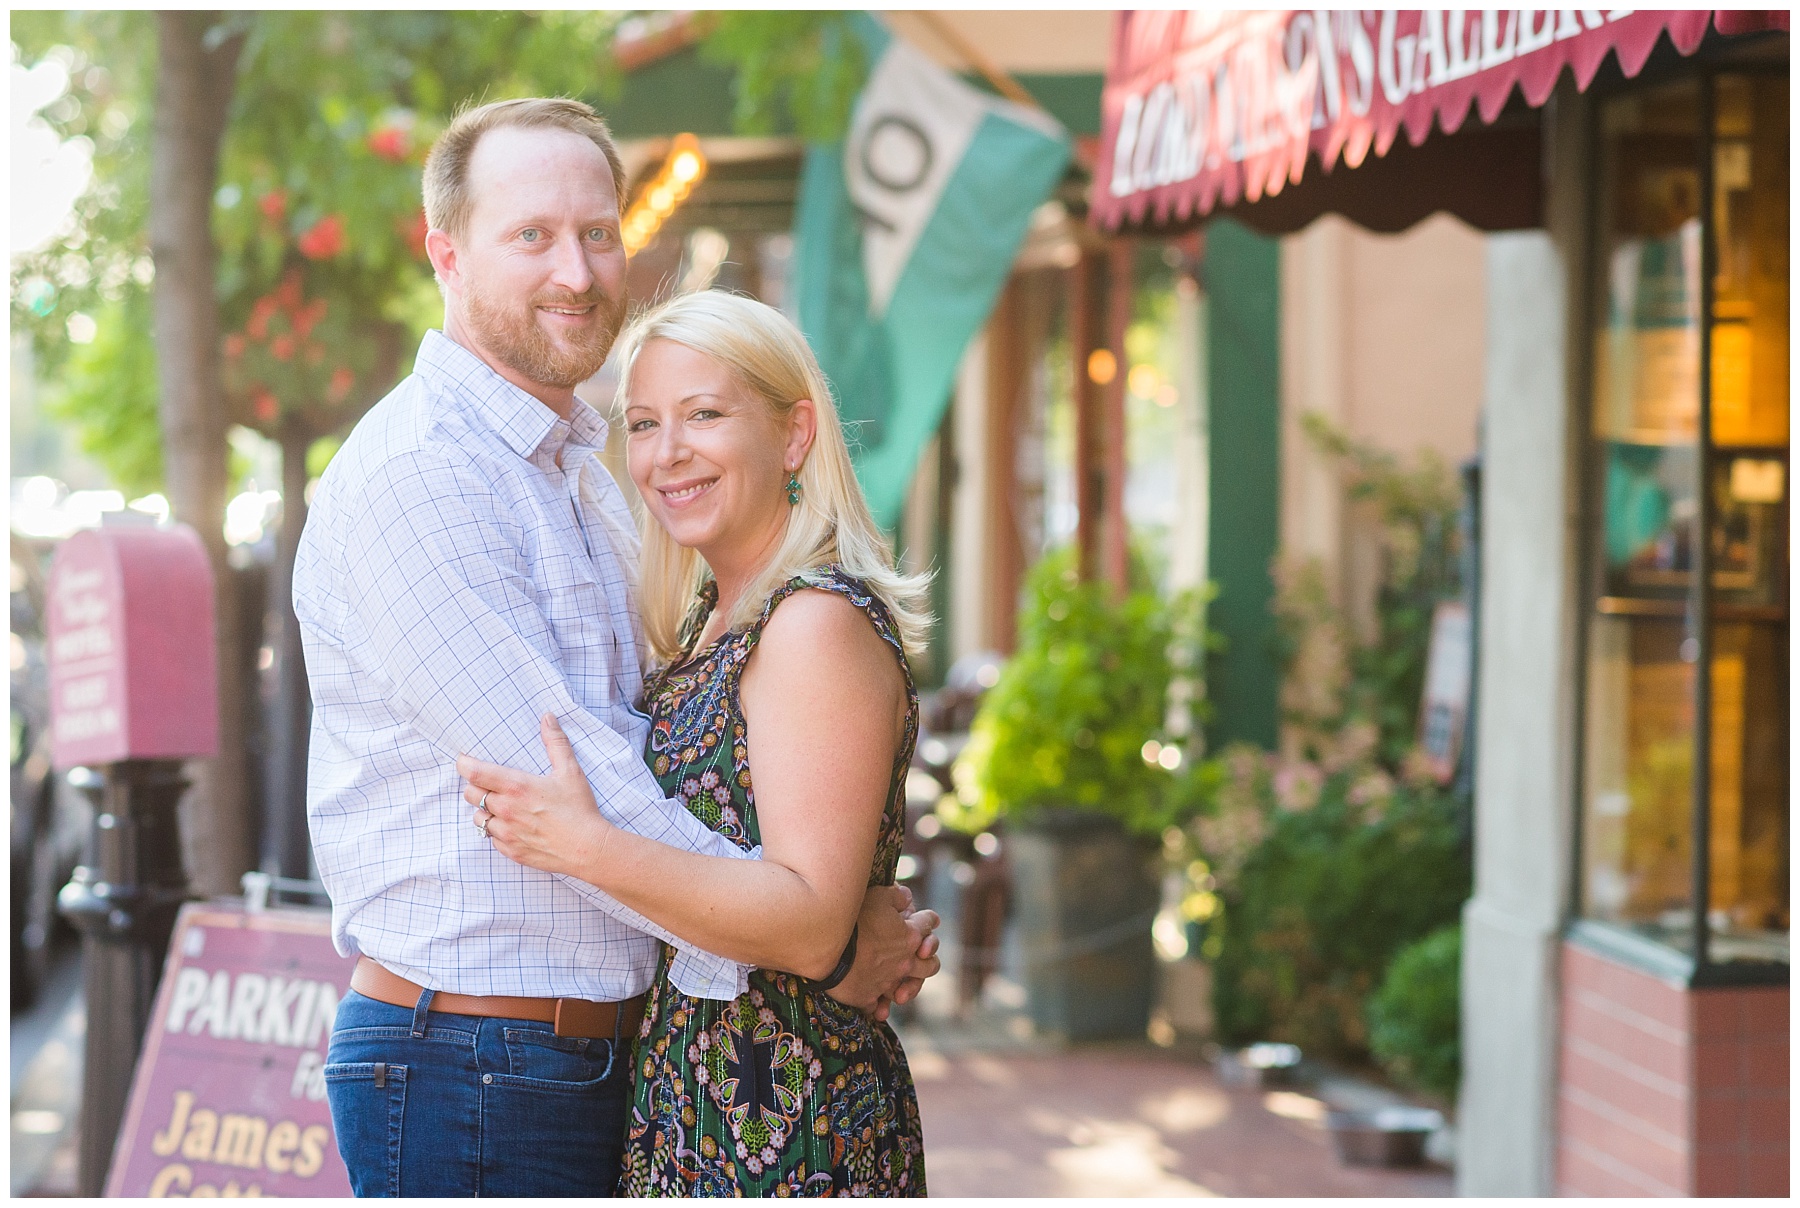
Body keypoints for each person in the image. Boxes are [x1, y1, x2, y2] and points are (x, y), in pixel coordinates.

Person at [293, 97, 939, 1198]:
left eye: (598, 233)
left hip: (599, 1064)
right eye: (532, 235)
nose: (578, 271)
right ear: (446, 254)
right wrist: (815, 943)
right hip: (477, 1065)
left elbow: (638, 776)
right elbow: (568, 783)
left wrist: (812, 918)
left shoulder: (573, 478)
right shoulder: (420, 475)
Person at [457, 288, 930, 1195]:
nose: (666, 453)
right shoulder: (716, 622)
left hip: (785, 1120)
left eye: (704, 415)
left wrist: (589, 850)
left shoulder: (814, 622)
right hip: (693, 1102)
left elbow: (807, 916)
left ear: (794, 436)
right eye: (642, 424)